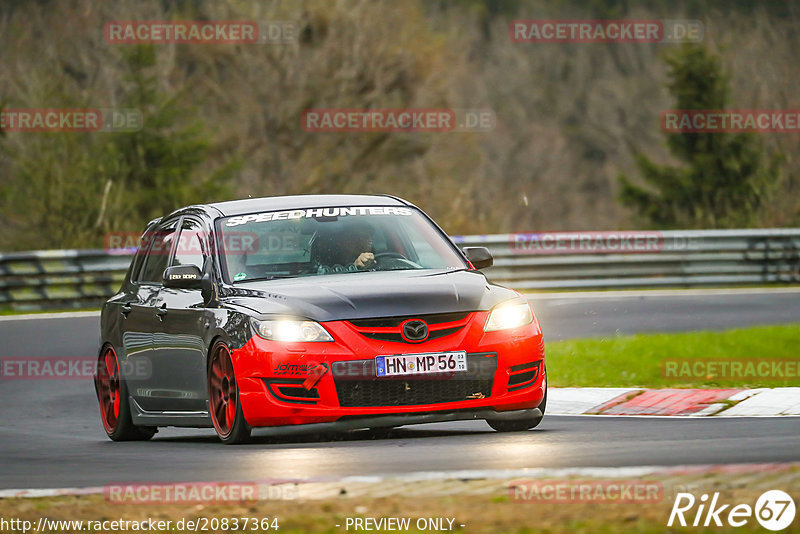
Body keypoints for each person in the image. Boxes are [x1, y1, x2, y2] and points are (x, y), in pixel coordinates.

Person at [310, 221, 376, 270]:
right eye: (357, 238)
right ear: (342, 241)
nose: (364, 242)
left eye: (368, 238)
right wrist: (354, 267)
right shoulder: (326, 266)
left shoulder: (381, 262)